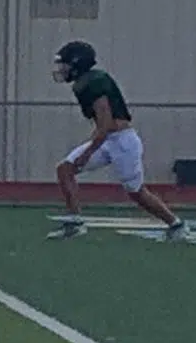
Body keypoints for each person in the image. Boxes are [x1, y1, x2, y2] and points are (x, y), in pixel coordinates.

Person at [51, 41, 186, 241]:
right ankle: (75, 222)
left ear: (77, 63)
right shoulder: (85, 82)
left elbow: (106, 125)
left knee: (136, 192)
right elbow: (103, 127)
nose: (62, 69)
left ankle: (176, 224)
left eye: (65, 64)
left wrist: (87, 153)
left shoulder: (94, 82)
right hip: (108, 139)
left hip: (122, 141)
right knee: (65, 169)